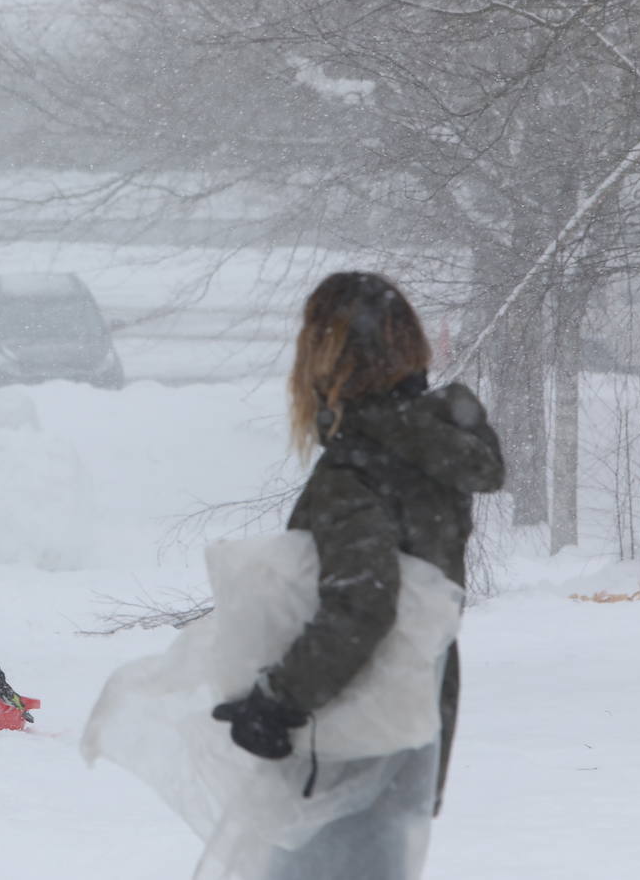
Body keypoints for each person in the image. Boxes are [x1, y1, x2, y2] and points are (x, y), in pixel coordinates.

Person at [209, 272, 504, 878]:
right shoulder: (432, 447)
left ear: (327, 356)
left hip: (343, 741)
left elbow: (363, 604)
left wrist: (278, 698)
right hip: (413, 722)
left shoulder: (360, 465)